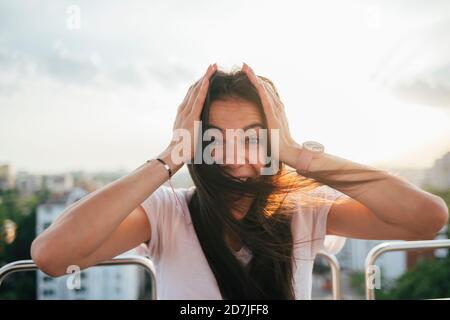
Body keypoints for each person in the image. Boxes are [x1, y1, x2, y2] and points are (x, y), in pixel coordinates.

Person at [30, 63, 449, 299]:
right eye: (214, 139)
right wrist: (167, 158)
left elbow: (425, 218)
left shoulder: (303, 211)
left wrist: (298, 155)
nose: (233, 158)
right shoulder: (167, 213)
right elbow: (51, 254)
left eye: (252, 137)